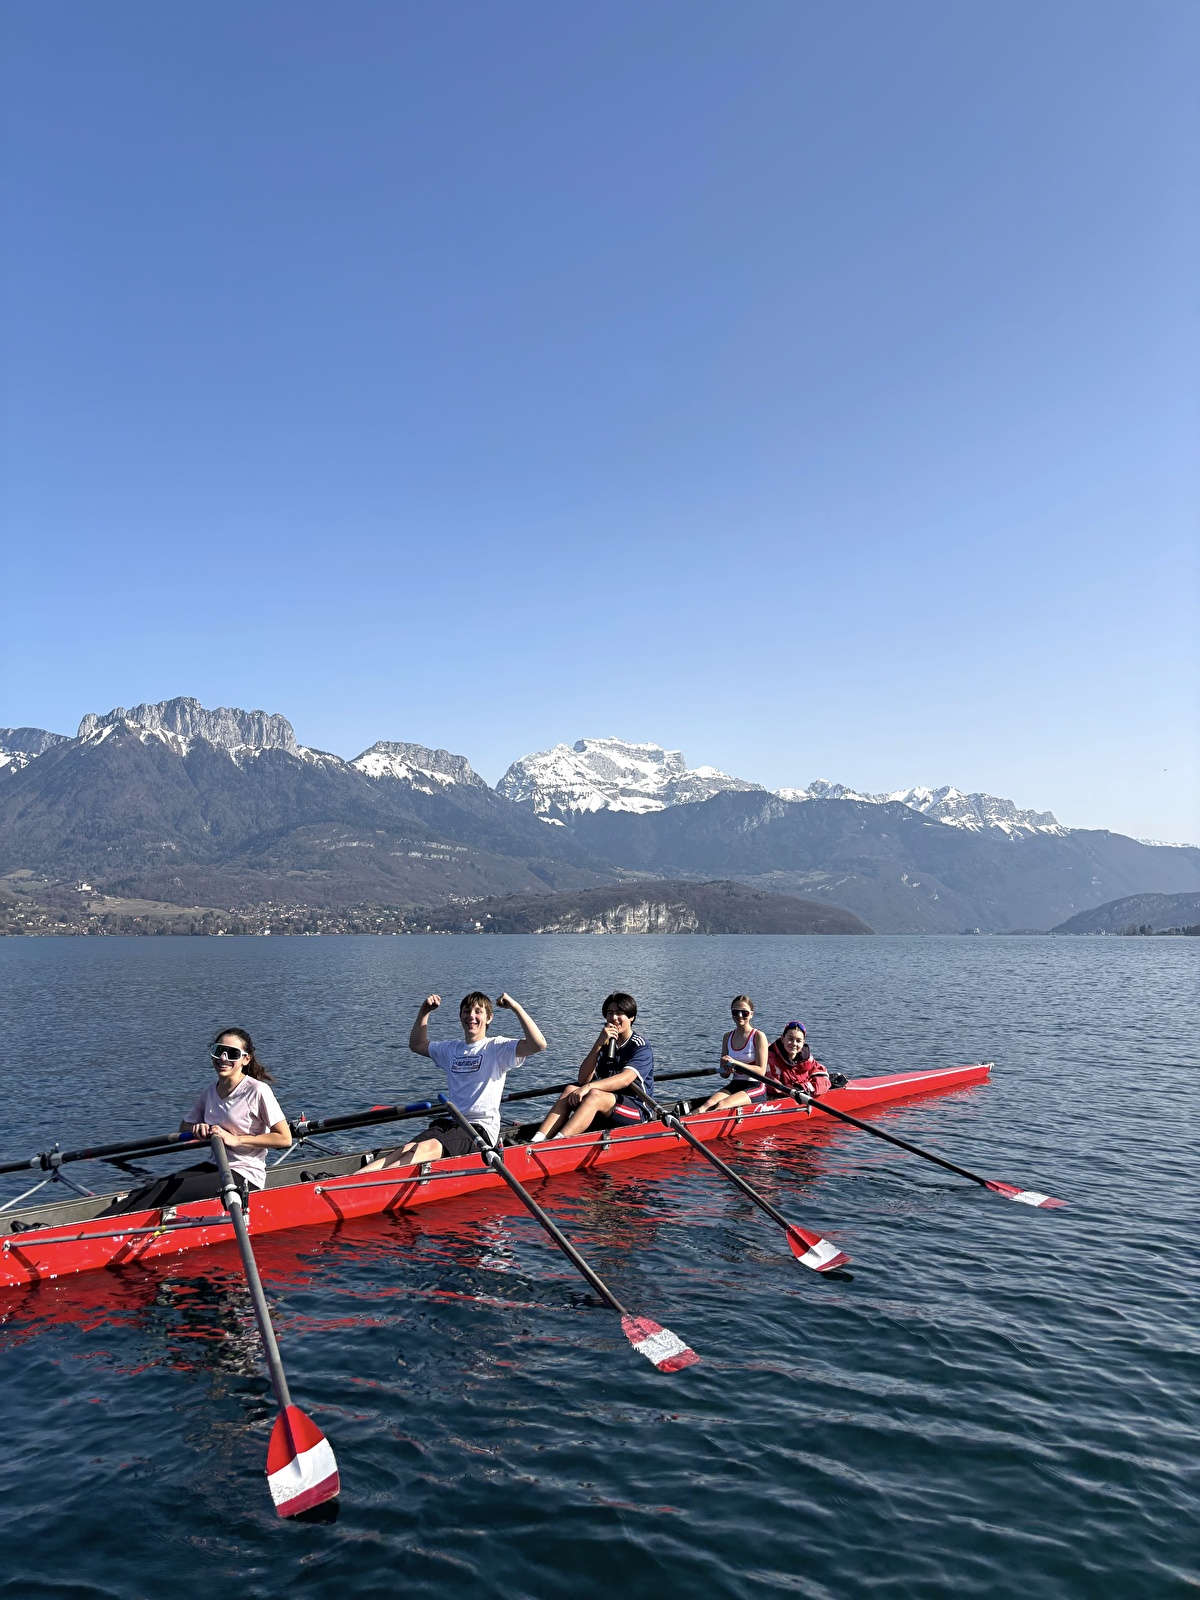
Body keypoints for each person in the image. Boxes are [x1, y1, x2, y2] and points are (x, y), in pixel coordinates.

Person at [103, 1028, 291, 1215]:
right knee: (157, 1186)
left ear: (246, 1059)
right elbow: (184, 1126)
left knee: (164, 1191)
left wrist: (237, 1140)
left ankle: (102, 1231)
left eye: (232, 1054)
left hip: (245, 1176)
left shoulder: (257, 1091)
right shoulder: (210, 1092)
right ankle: (94, 1226)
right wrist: (197, 1129)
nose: (223, 1058)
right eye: (219, 1051)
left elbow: (284, 1139)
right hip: (215, 1166)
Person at [362, 991, 546, 1169]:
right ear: (460, 1017)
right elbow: (416, 1044)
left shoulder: (497, 1048)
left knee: (423, 1149)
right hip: (451, 1123)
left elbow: (538, 1044)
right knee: (405, 1150)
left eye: (478, 1011)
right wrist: (424, 1011)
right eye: (467, 1011)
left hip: (479, 1131)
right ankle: (354, 1178)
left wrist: (515, 1007)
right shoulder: (452, 1049)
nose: (471, 1016)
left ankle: (371, 1185)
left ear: (489, 1018)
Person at [530, 991, 654, 1141]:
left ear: (631, 1017)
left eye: (619, 1013)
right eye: (610, 1013)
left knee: (594, 1094)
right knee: (570, 1089)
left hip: (636, 1109)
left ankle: (557, 1142)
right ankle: (537, 1140)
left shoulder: (640, 1046)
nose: (614, 1018)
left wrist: (589, 1088)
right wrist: (598, 1044)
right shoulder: (606, 1043)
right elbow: (583, 1079)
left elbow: (625, 1079)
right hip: (608, 1105)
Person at [697, 995, 771, 1113]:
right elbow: (724, 1075)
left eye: (744, 1013)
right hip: (735, 1084)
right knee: (706, 1105)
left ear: (751, 1014)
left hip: (755, 1086)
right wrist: (726, 1069)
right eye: (735, 1012)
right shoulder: (727, 1037)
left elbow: (761, 1071)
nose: (739, 1015)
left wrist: (735, 1063)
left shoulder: (758, 1036)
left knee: (722, 1104)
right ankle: (681, 1124)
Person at [765, 1021, 832, 1098]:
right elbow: (773, 1088)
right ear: (782, 1038)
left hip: (804, 1095)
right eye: (790, 1039)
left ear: (803, 1043)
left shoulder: (807, 1059)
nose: (794, 1043)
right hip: (781, 1100)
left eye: (798, 1041)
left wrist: (802, 1088)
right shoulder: (770, 1058)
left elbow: (823, 1078)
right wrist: (794, 1092)